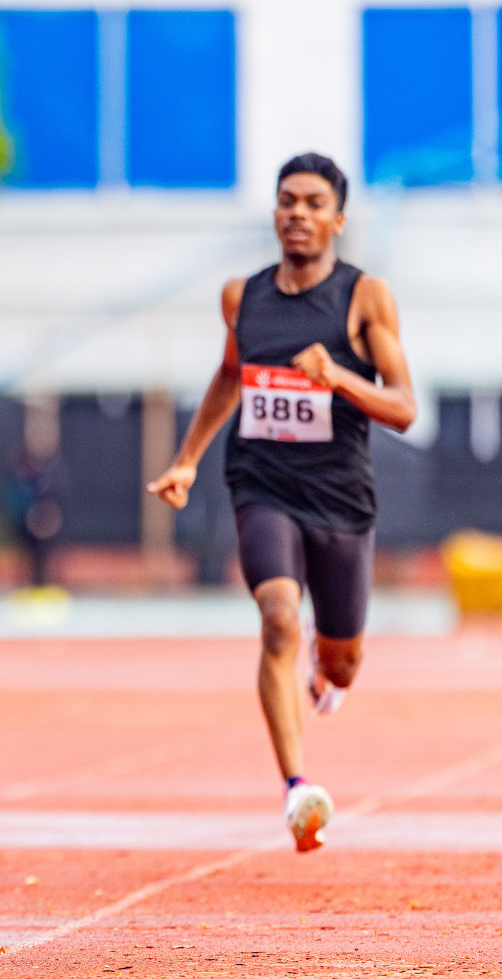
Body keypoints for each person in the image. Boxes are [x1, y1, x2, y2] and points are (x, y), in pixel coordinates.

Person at [147, 153, 416, 852]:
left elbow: (404, 408)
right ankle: (299, 790)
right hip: (261, 483)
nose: (297, 212)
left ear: (337, 218)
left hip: (341, 497)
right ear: (274, 213)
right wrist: (185, 460)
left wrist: (339, 379)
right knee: (276, 617)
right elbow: (230, 376)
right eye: (286, 200)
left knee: (342, 660)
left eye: (313, 202)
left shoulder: (365, 298)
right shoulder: (244, 296)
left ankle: (329, 676)